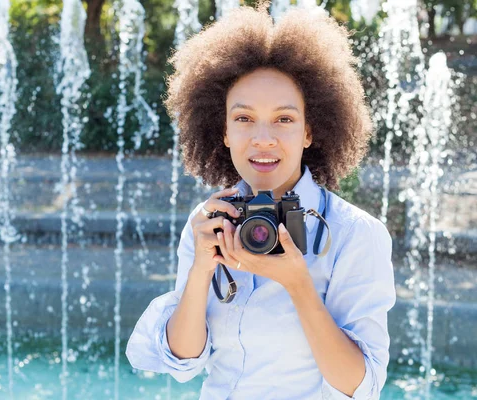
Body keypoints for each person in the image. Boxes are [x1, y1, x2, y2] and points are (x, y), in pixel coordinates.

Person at [126, 2, 396, 399]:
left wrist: (298, 284)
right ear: (223, 131)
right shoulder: (209, 221)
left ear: (309, 131)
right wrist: (202, 270)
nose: (263, 138)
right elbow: (183, 361)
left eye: (284, 119)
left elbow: (360, 385)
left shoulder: (355, 234)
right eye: (244, 118)